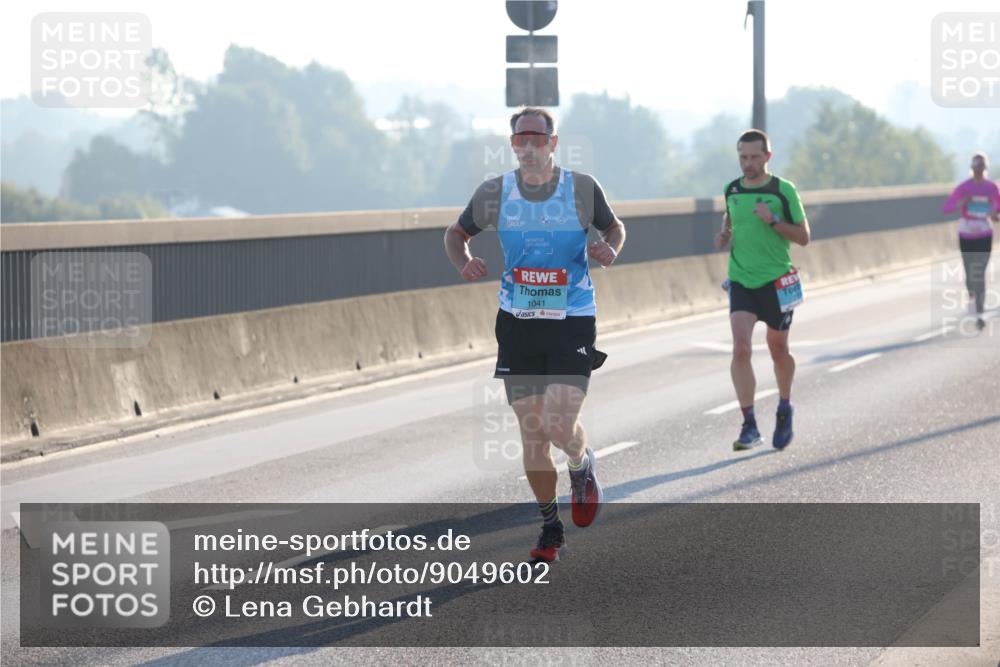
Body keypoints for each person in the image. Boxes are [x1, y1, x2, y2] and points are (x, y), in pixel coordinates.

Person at [443, 107, 626, 562]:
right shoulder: (494, 193)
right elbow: (455, 233)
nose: (528, 146)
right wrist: (463, 261)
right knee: (532, 431)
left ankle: (581, 466)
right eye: (520, 138)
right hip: (518, 322)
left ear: (553, 143)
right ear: (512, 145)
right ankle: (550, 528)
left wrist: (609, 248)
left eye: (536, 138)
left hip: (572, 319)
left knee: (558, 425)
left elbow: (614, 227)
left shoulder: (581, 188)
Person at [714, 129, 811, 451]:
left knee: (778, 350)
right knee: (741, 348)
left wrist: (772, 221)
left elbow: (803, 236)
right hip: (741, 279)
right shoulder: (732, 189)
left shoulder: (783, 190)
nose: (749, 163)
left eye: (755, 157)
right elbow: (732, 222)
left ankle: (784, 407)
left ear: (768, 157)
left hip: (777, 281)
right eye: (743, 157)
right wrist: (724, 235)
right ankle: (749, 424)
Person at [941, 153, 1000, 331]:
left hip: (984, 232)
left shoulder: (992, 188)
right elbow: (946, 208)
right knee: (970, 275)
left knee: (979, 273)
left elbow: (998, 207)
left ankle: (980, 313)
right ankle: (973, 300)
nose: (978, 173)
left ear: (985, 169)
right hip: (966, 233)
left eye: (981, 169)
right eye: (976, 169)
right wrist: (962, 203)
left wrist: (994, 213)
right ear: (971, 169)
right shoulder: (964, 188)